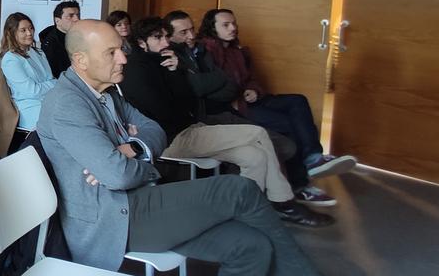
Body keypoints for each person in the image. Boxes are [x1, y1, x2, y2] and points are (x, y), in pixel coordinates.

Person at [36, 20, 416, 276]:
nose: (123, 58)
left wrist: (131, 146)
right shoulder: (68, 103)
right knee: (240, 188)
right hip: (113, 218)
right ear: (80, 61)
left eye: (122, 49)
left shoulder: (107, 90)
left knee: (249, 246)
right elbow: (117, 175)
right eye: (112, 53)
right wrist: (124, 158)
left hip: (139, 198)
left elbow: (155, 130)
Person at [120, 17, 331, 227]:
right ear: (141, 43)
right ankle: (283, 202)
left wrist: (176, 72)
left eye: (166, 36)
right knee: (257, 133)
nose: (165, 43)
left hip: (190, 130)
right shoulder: (137, 70)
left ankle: (244, 212)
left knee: (255, 156)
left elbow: (189, 101)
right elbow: (164, 112)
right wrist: (176, 83)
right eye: (157, 38)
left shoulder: (166, 62)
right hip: (167, 140)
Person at [199, 8, 357, 179]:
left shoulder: (236, 51)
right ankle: (299, 181)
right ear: (212, 28)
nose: (232, 28)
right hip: (234, 108)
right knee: (287, 124)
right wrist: (233, 97)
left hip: (250, 99)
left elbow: (250, 78)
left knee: (298, 101)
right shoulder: (207, 51)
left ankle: (313, 158)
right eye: (226, 25)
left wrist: (254, 90)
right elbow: (216, 84)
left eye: (234, 23)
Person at [0, 13, 56, 131]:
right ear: (12, 33)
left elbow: (50, 80)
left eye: (30, 28)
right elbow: (32, 91)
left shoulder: (38, 52)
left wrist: (50, 84)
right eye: (23, 30)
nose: (29, 33)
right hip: (28, 107)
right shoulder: (11, 59)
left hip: (46, 99)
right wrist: (54, 83)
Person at [39, 0, 80, 77]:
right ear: (57, 21)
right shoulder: (50, 45)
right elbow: (58, 75)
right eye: (71, 16)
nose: (76, 19)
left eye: (77, 15)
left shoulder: (79, 37)